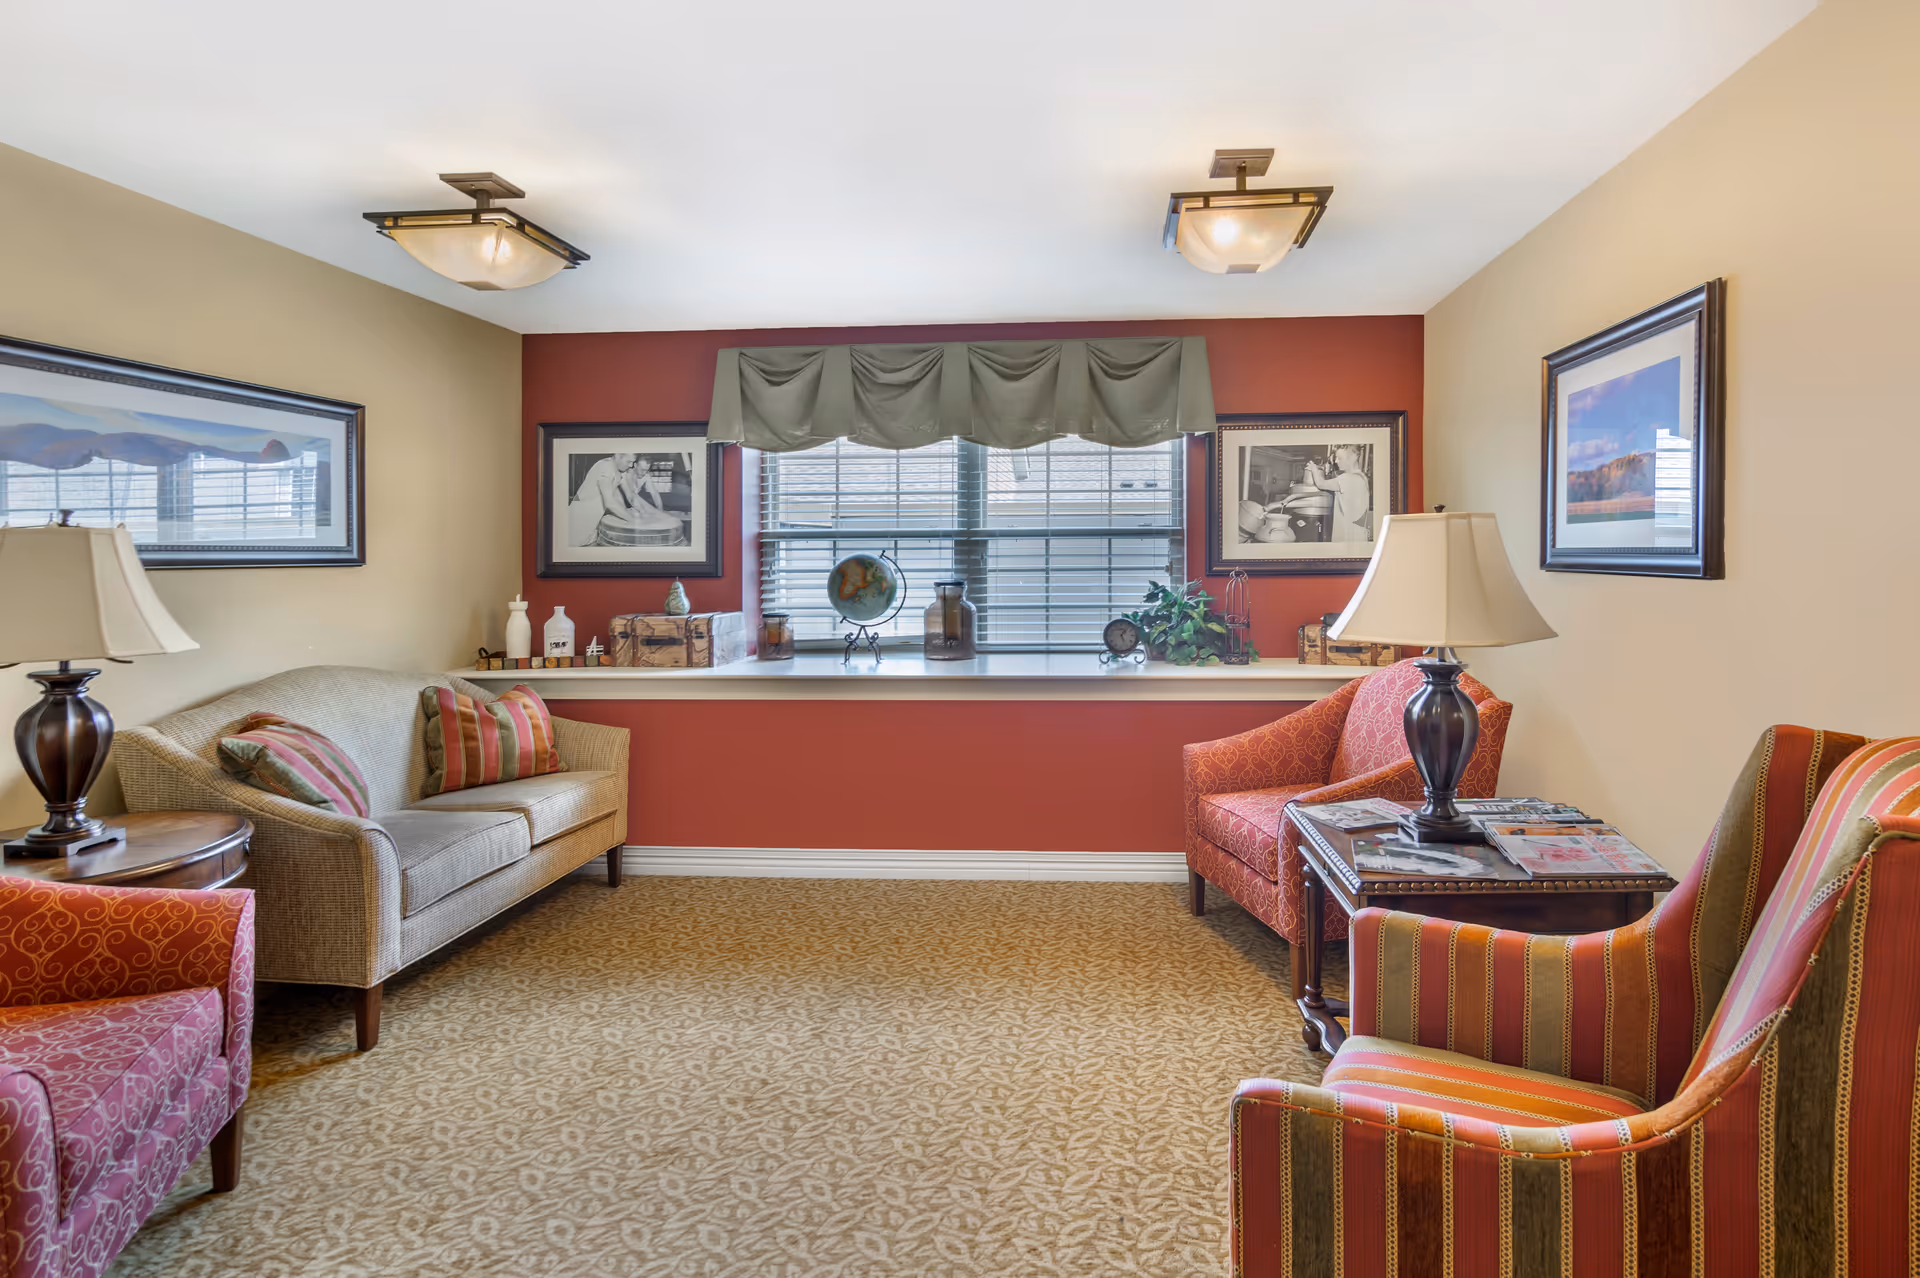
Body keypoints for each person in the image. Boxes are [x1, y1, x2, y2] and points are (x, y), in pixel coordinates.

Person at [1304, 446, 1371, 542]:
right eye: (1336, 458)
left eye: (1340, 458)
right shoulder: (1361, 477)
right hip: (1358, 535)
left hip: (1348, 537)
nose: (1336, 461)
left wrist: (1314, 469)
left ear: (1353, 457)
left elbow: (1321, 484)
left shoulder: (1348, 478)